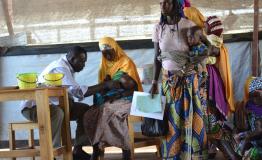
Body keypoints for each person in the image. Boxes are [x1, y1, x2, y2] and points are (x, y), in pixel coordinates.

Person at [149, 0, 222, 159]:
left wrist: (201, 53)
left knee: (192, 118)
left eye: (167, 2)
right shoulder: (158, 28)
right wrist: (154, 83)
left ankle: (193, 155)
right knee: (172, 121)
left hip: (189, 80)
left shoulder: (188, 25)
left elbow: (211, 49)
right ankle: (173, 155)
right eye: (161, 2)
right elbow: (156, 58)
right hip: (170, 82)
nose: (163, 5)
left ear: (176, 4)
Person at [20, 46, 119, 160]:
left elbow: (71, 92)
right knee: (57, 113)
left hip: (57, 105)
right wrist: (105, 85)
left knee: (85, 111)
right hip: (34, 107)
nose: (84, 65)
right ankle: (52, 153)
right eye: (82, 61)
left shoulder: (67, 67)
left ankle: (78, 149)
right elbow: (77, 91)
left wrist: (103, 86)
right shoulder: (60, 68)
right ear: (72, 59)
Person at [83, 37, 143, 160]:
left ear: (115, 48)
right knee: (89, 114)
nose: (107, 56)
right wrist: (106, 85)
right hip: (109, 99)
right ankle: (96, 147)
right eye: (104, 54)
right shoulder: (103, 66)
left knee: (109, 111)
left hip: (130, 98)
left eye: (110, 52)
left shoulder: (126, 62)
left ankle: (125, 150)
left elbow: (134, 88)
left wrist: (120, 94)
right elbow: (102, 88)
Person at [234, 77, 262, 160]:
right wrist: (241, 135)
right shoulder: (249, 108)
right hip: (256, 142)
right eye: (255, 95)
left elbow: (258, 130)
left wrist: (246, 136)